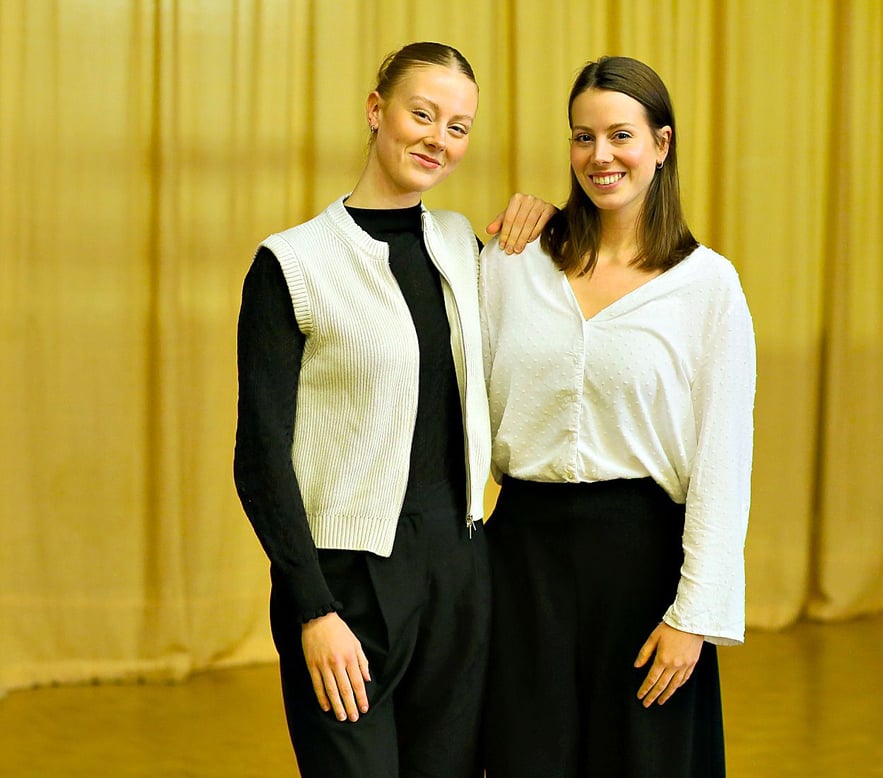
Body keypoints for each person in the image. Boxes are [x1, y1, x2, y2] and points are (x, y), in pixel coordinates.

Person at [233, 42, 553, 778]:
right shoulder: (292, 264)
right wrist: (313, 609)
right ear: (377, 111)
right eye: (423, 114)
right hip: (346, 582)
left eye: (459, 127)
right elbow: (260, 457)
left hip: (459, 569)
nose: (439, 139)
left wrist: (547, 217)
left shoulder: (463, 244)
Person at [479, 56, 756, 777]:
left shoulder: (708, 287)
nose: (599, 156)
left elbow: (724, 463)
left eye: (620, 135)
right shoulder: (512, 263)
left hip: (645, 571)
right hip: (523, 566)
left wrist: (694, 616)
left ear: (661, 144)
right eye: (583, 137)